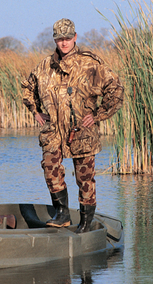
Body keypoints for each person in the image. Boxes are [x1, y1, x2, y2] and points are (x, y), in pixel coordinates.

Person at [22, 18, 124, 233]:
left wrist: (98, 115)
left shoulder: (90, 64)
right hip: (53, 132)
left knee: (84, 177)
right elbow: (27, 88)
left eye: (68, 38)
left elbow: (116, 90)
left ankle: (86, 222)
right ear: (55, 40)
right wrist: (36, 112)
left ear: (75, 37)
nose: (64, 43)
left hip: (82, 132)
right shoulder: (44, 66)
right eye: (60, 39)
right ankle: (62, 214)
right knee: (50, 169)